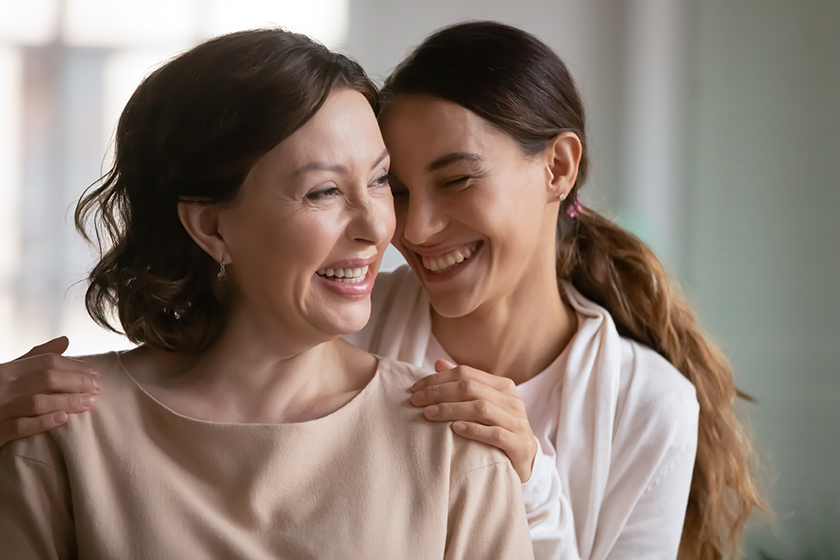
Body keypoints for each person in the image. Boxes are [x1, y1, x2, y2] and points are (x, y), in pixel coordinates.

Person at [0, 20, 765, 560]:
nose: (401, 226)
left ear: (558, 169)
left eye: (454, 179)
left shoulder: (554, 425)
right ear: (210, 228)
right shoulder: (69, 434)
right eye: (384, 183)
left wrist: (530, 478)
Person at [0, 28, 534, 559]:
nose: (378, 227)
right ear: (211, 227)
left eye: (379, 180)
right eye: (323, 192)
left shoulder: (455, 442)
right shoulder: (59, 433)